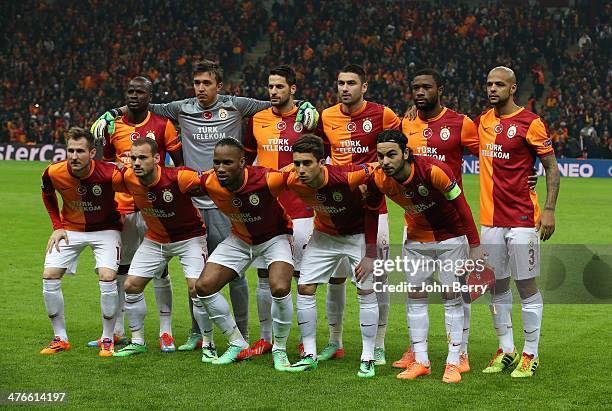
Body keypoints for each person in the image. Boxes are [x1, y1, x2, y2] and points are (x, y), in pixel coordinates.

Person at [92, 60, 317, 347]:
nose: (200, 88)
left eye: (206, 83)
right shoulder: (181, 108)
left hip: (228, 202)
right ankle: (198, 334)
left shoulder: (236, 105)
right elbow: (145, 107)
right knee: (196, 272)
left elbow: (275, 101)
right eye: (197, 83)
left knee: (234, 273)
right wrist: (113, 113)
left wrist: (306, 104)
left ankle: (245, 333)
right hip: (193, 198)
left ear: (219, 86)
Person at [366, 129, 482, 383]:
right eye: (381, 156)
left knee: (452, 297)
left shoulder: (433, 171)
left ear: (406, 153)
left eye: (391, 155)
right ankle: (421, 361)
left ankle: (454, 362)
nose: (385, 161)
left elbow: (462, 206)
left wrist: (475, 245)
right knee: (415, 297)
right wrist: (369, 252)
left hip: (450, 238)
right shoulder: (380, 179)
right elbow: (371, 214)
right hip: (417, 240)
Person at [88, 76, 185, 352]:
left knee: (161, 269)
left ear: (149, 95)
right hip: (123, 209)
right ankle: (118, 329)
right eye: (130, 91)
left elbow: (178, 167)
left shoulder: (162, 125)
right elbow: (106, 167)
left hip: (155, 208)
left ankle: (166, 332)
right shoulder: (113, 126)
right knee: (122, 270)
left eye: (140, 92)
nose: (134, 96)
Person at [475, 66, 560, 378]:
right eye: (489, 84)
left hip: (523, 218)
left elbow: (551, 167)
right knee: (495, 284)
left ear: (513, 88)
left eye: (499, 84)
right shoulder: (482, 121)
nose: (492, 89)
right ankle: (506, 349)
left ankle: (530, 353)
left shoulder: (530, 123)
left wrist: (549, 210)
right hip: (490, 218)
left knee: (525, 284)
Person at [316, 64, 400, 365]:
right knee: (334, 279)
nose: (345, 88)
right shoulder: (326, 117)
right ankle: (335, 341)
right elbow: (319, 156)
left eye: (351, 83)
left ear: (364, 87)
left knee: (378, 279)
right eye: (341, 83)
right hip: (337, 209)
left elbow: (399, 151)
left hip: (374, 209)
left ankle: (377, 344)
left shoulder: (384, 115)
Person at [282, 135, 380, 379]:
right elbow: (260, 179)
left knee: (366, 291)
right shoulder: (290, 177)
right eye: (297, 163)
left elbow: (378, 170)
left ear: (322, 162)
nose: (301, 170)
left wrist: (370, 253)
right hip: (324, 236)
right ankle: (310, 355)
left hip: (356, 237)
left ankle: (368, 357)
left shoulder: (348, 176)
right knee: (304, 287)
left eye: (307, 163)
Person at [195, 138, 295, 371]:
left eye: (227, 163)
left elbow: (301, 175)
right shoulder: (209, 181)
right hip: (239, 239)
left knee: (279, 288)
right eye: (216, 162)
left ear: (242, 162)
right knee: (204, 286)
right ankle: (237, 342)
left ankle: (279, 349)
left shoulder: (267, 179)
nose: (220, 168)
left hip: (275, 237)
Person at [111, 138, 209, 357]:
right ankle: (137, 341)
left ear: (157, 159)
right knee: (131, 285)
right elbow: (98, 180)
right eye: (133, 158)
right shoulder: (128, 177)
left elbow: (214, 182)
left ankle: (208, 343)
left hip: (189, 238)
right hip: (156, 240)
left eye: (142, 158)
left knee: (197, 288)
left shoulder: (179, 176)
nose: (136, 163)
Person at [244, 65, 314, 356]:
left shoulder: (308, 118)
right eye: (270, 87)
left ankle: (303, 340)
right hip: (267, 212)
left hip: (301, 210)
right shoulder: (257, 119)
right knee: (263, 276)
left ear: (293, 89)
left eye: (279, 87)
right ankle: (265, 338)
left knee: (302, 279)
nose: (273, 92)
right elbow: (247, 160)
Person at [40, 127, 123, 357]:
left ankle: (108, 338)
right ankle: (60, 338)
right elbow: (47, 195)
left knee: (107, 277)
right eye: (70, 150)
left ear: (92, 152)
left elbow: (135, 186)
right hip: (70, 230)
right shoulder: (53, 172)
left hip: (106, 229)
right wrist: (57, 226)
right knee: (49, 276)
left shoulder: (110, 172)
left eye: (80, 151)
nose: (74, 156)